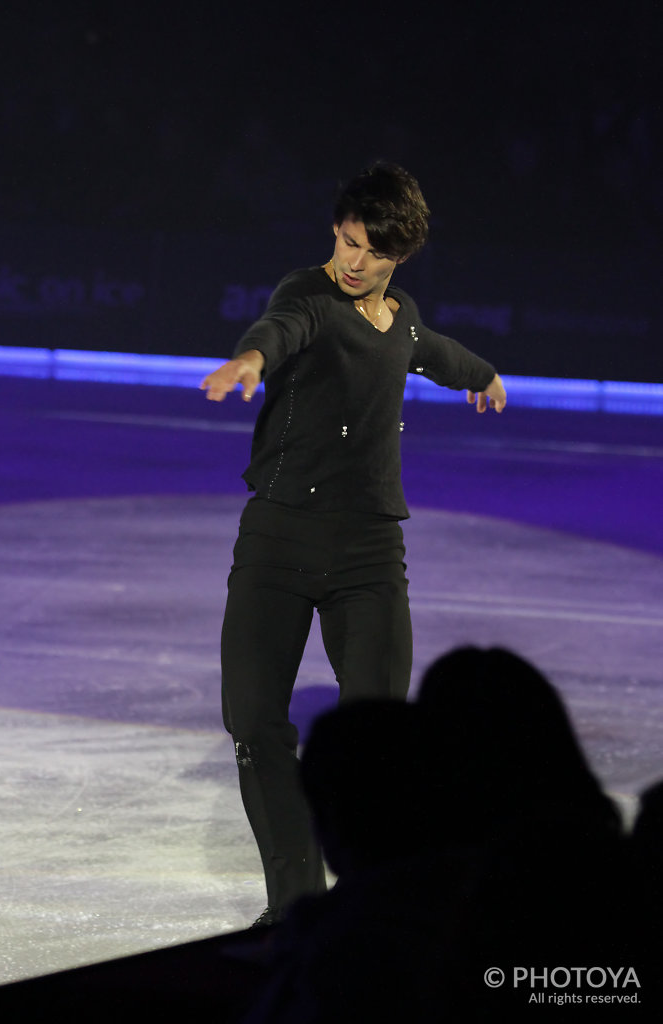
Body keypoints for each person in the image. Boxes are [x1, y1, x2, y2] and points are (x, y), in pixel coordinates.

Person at [200, 162, 507, 926]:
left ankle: (374, 902)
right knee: (254, 723)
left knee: (380, 736)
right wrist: (250, 359)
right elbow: (281, 329)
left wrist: (482, 374)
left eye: (369, 251)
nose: (350, 260)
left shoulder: (399, 315)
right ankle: (296, 904)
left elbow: (429, 349)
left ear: (397, 256)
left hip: (368, 552)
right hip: (277, 537)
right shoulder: (306, 295)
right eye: (344, 241)